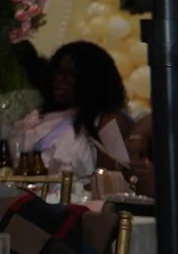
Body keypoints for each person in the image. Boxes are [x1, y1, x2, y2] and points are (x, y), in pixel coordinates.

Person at [13, 41, 134, 185]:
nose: (59, 80)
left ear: (92, 80)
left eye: (70, 75)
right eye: (57, 72)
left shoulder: (107, 120)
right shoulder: (42, 113)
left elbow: (115, 181)